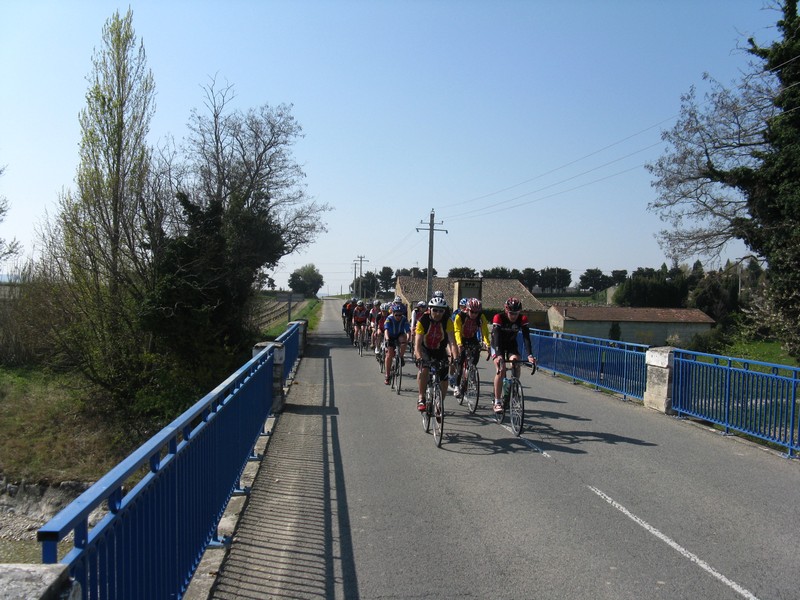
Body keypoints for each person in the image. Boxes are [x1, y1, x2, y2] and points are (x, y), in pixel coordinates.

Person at [490, 297, 535, 413]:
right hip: (497, 344)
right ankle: (497, 401)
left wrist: (530, 355)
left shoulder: (522, 319)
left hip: (511, 344)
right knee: (501, 369)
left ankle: (513, 386)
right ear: (506, 310)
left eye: (516, 313)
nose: (514, 316)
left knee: (516, 362)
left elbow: (526, 338)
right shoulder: (498, 317)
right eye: (511, 313)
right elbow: (496, 337)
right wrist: (498, 355)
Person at [414, 296, 457, 411]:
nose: (438, 313)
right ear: (430, 309)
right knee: (424, 369)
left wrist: (455, 358)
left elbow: (452, 342)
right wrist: (419, 357)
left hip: (439, 349)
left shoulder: (447, 321)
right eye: (435, 310)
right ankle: (421, 397)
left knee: (444, 378)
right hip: (425, 349)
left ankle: (439, 403)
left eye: (441, 311)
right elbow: (417, 344)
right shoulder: (423, 320)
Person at [452, 297, 490, 398]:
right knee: (461, 362)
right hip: (461, 338)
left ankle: (471, 371)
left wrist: (487, 344)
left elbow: (485, 331)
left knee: (476, 355)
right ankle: (457, 386)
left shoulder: (481, 317)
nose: (474, 314)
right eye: (472, 312)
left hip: (472, 337)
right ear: (467, 309)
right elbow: (457, 331)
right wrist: (459, 344)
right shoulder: (460, 316)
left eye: (476, 312)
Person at [383, 302, 410, 384]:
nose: (398, 317)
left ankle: (400, 357)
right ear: (393, 313)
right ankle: (387, 375)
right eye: (396, 315)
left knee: (404, 340)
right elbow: (386, 330)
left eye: (400, 315)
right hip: (390, 336)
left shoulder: (404, 319)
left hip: (399, 335)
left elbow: (408, 331)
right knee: (389, 355)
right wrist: (387, 339)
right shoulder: (389, 318)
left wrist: (408, 339)